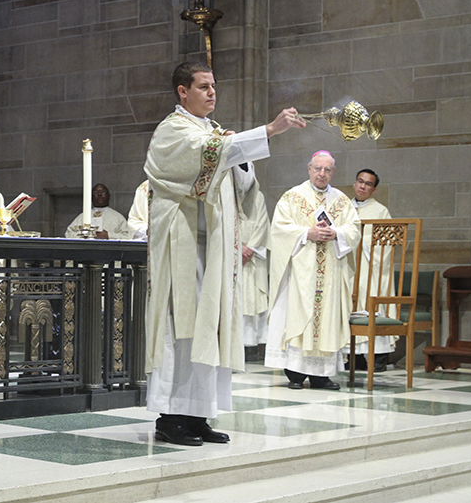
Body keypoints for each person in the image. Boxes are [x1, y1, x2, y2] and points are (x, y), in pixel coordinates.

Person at [145, 60, 305, 446]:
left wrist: (239, 153)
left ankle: (199, 413)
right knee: (183, 331)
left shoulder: (214, 131)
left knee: (210, 330)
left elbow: (242, 185)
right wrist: (267, 130)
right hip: (184, 247)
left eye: (214, 85)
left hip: (214, 247)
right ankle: (171, 416)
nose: (212, 92)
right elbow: (202, 157)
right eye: (203, 86)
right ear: (183, 92)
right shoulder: (172, 130)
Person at [264, 151, 361, 390]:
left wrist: (337, 233)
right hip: (301, 271)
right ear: (309, 168)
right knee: (299, 316)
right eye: (318, 168)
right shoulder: (293, 196)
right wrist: (307, 233)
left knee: (326, 319)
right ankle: (295, 374)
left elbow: (355, 228)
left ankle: (321, 376)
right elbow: (279, 229)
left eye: (327, 170)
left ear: (333, 172)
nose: (322, 174)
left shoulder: (341, 200)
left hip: (330, 271)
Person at [349, 168, 395, 373]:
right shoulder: (343, 208)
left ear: (374, 189)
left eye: (368, 184)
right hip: (348, 269)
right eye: (360, 181)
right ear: (354, 183)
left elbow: (387, 244)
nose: (362, 186)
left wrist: (359, 243)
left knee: (371, 309)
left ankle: (377, 357)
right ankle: (353, 358)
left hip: (371, 269)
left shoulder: (381, 211)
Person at [236, 164, 270, 351]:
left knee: (252, 296)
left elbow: (263, 224)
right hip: (231, 255)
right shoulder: (225, 196)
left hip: (252, 256)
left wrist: (249, 248)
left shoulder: (258, 197)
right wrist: (236, 247)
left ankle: (250, 344)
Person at [65, 183, 130, 239]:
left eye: (103, 192)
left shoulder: (118, 217)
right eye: (95, 193)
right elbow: (68, 234)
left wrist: (108, 235)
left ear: (109, 196)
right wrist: (86, 235)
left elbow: (128, 237)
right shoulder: (83, 216)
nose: (99, 194)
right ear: (91, 197)